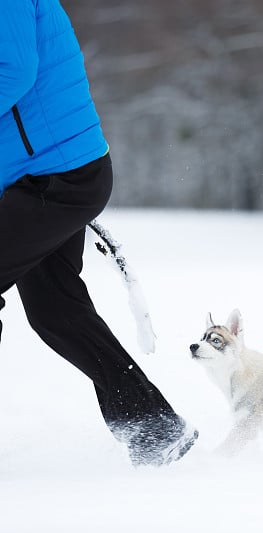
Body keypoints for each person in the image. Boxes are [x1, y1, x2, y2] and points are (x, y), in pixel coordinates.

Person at [0, 0, 197, 466]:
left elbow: (15, 71)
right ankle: (153, 427)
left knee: (55, 308)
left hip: (56, 176)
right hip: (46, 175)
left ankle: (151, 425)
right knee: (56, 309)